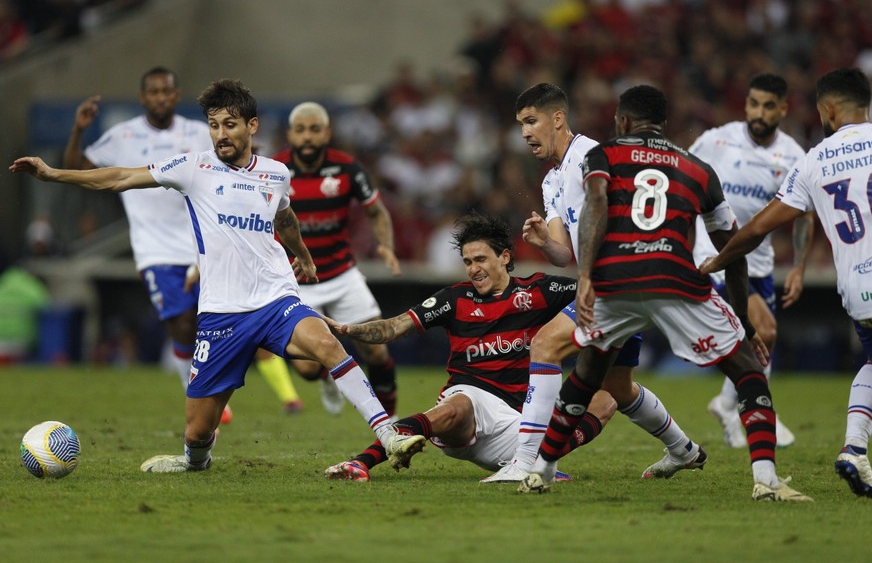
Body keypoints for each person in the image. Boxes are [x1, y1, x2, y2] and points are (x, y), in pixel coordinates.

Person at [11, 78, 420, 473]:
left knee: (328, 345)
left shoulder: (276, 173)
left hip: (276, 300)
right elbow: (120, 177)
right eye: (213, 125)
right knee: (198, 429)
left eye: (229, 124)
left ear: (251, 126)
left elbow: (286, 218)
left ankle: (388, 435)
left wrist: (304, 256)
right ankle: (195, 461)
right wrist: (53, 174)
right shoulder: (193, 168)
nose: (220, 134)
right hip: (222, 314)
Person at [519, 84, 811, 502]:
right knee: (746, 372)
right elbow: (735, 243)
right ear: (665, 124)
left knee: (586, 373)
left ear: (621, 122)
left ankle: (539, 469)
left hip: (616, 281)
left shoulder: (601, 156)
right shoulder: (697, 168)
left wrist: (587, 279)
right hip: (675, 278)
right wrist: (744, 321)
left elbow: (597, 207)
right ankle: (765, 480)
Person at [488, 82, 704, 483]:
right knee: (618, 388)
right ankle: (684, 451)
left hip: (620, 278)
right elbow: (564, 253)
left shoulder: (591, 155)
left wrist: (593, 273)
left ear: (558, 119)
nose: (525, 133)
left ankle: (524, 462)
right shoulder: (552, 180)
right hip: (613, 280)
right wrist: (543, 242)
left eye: (531, 121)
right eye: (520, 124)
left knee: (545, 343)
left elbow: (611, 211)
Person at [63, 67, 304, 418]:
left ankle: (288, 397)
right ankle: (196, 395)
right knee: (181, 324)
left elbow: (232, 164)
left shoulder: (199, 131)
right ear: (143, 98)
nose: (161, 97)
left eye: (167, 91)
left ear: (176, 96)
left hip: (205, 245)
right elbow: (81, 170)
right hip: (155, 251)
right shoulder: (122, 136)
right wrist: (79, 130)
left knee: (247, 316)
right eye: (154, 92)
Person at [700, 67, 872, 499]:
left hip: (860, 294)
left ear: (827, 110)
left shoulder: (814, 159)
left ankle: (855, 449)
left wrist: (719, 259)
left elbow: (756, 228)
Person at [322, 212, 616, 481]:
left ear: (504, 256)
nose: (473, 269)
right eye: (467, 262)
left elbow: (596, 290)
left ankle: (540, 462)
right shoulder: (454, 299)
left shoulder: (539, 291)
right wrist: (349, 330)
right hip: (471, 404)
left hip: (521, 421)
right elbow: (394, 327)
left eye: (480, 259)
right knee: (458, 407)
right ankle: (360, 462)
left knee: (605, 400)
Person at [690, 73, 814, 449]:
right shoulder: (717, 140)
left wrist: (799, 265)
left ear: (783, 109)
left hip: (759, 262)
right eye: (753, 103)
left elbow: (806, 213)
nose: (759, 112)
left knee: (760, 341)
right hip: (716, 254)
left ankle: (728, 404)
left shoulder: (794, 155)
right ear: (746, 104)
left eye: (768, 106)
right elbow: (679, 178)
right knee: (766, 331)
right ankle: (759, 414)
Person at [271, 101, 403, 416]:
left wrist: (385, 244)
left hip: (342, 273)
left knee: (376, 349)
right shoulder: (274, 170)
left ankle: (391, 423)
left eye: (314, 130)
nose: (307, 137)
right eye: (300, 130)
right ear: (290, 133)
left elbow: (376, 210)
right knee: (305, 367)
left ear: (327, 132)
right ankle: (327, 376)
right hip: (295, 280)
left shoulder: (348, 169)